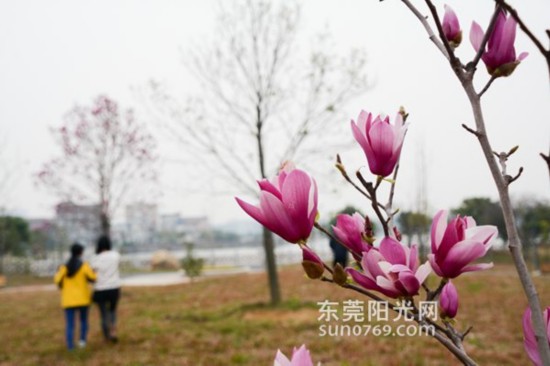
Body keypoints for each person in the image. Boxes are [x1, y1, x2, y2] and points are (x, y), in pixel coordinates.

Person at [53, 243, 96, 350]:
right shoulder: (84, 265)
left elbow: (57, 280)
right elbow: (93, 278)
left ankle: (70, 346)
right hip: (83, 299)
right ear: (81, 253)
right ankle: (82, 341)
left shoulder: (64, 267)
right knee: (83, 321)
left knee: (70, 324)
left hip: (68, 300)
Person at [91, 235, 121, 343]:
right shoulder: (115, 255)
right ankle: (113, 331)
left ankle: (106, 334)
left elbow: (92, 274)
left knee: (103, 313)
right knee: (112, 311)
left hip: (100, 289)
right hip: (114, 287)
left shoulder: (95, 258)